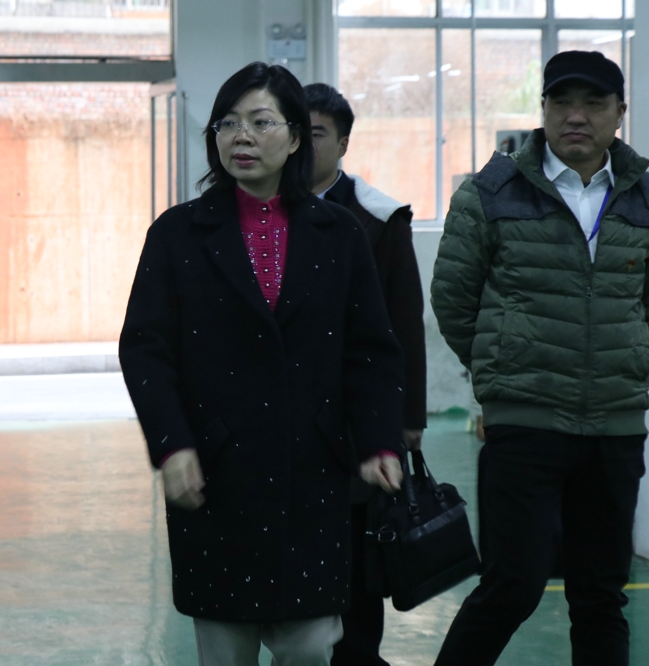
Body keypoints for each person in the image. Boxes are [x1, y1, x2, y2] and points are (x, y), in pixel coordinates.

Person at [119, 61, 406, 665]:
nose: (241, 136)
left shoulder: (339, 234)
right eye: (228, 123)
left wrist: (378, 439)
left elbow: (370, 349)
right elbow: (145, 347)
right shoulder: (178, 234)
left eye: (260, 122)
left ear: (296, 137)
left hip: (312, 471)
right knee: (225, 647)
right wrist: (173, 445)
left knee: (310, 644)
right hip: (217, 471)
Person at [431, 51, 649, 666]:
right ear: (544, 108)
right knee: (513, 585)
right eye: (562, 102)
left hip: (614, 425)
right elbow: (453, 297)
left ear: (619, 113)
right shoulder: (491, 193)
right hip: (525, 423)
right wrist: (503, 369)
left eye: (593, 104)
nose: (576, 116)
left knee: (600, 596)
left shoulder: (644, 195)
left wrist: (633, 363)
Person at [302, 83, 427, 666]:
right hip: (290, 422)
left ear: (344, 143)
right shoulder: (259, 213)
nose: (303, 145)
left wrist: (407, 419)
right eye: (295, 131)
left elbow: (404, 324)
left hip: (358, 420)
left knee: (357, 556)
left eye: (317, 133)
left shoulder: (378, 217)